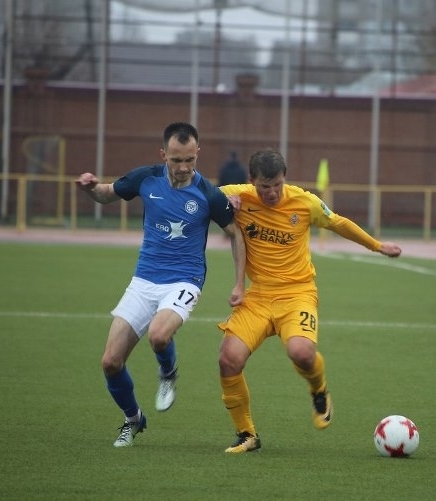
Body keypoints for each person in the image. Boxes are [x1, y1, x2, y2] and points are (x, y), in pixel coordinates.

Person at [216, 149, 402, 454]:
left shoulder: (304, 202)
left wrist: (377, 245)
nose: (272, 192)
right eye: (264, 187)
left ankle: (319, 390)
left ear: (285, 178)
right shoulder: (238, 195)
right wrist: (223, 201)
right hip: (258, 295)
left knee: (301, 353)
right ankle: (246, 434)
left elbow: (338, 223)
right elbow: (201, 194)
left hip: (298, 293)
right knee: (228, 359)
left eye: (277, 184)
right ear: (251, 181)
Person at [75, 122, 246, 447]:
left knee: (159, 335)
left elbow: (236, 234)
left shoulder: (208, 193)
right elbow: (106, 195)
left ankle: (168, 373)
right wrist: (90, 187)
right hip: (144, 279)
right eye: (176, 160)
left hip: (185, 279)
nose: (183, 167)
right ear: (163, 154)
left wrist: (239, 283)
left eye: (189, 160)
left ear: (198, 154)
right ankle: (133, 419)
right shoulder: (145, 178)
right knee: (110, 362)